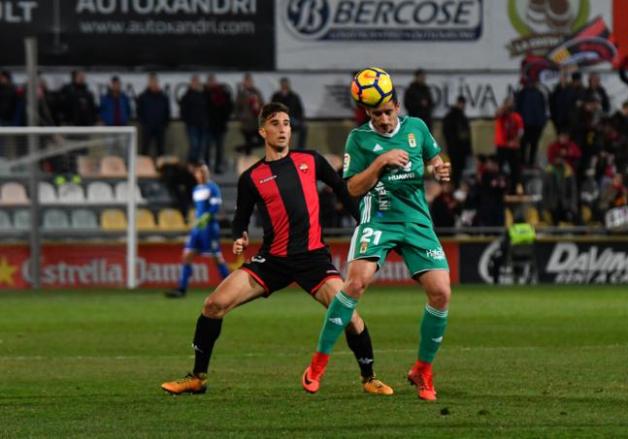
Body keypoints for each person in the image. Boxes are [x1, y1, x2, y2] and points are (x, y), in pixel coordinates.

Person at [161, 102, 393, 396]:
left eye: (286, 123)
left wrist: (364, 220)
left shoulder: (311, 160)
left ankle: (369, 377)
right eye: (275, 123)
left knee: (348, 313)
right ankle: (197, 377)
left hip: (312, 259)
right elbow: (240, 217)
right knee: (213, 305)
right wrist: (239, 236)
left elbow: (342, 189)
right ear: (262, 131)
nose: (283, 129)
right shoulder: (251, 177)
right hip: (271, 260)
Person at [300, 86, 452, 402]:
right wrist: (380, 161)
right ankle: (318, 363)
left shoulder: (417, 128)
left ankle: (422, 369)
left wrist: (440, 169)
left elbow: (436, 161)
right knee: (355, 284)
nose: (383, 120)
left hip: (415, 220)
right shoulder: (359, 139)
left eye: (388, 112)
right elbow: (352, 188)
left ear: (397, 105)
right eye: (376, 115)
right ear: (367, 114)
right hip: (378, 219)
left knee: (441, 292)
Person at [165, 162, 230, 298]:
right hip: (197, 228)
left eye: (204, 171)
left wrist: (206, 217)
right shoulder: (196, 189)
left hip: (209, 228)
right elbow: (198, 208)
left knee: (217, 258)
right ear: (195, 174)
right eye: (199, 172)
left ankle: (231, 288)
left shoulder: (213, 187)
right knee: (187, 256)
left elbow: (215, 206)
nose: (202, 174)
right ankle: (181, 289)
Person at [204, 74, 233, 174]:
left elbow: (229, 107)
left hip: (220, 125)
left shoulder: (223, 93)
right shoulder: (204, 93)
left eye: (213, 81)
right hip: (208, 125)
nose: (211, 83)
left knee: (219, 148)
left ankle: (218, 166)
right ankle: (206, 166)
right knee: (207, 148)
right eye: (210, 81)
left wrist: (225, 118)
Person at [515, 77, 547, 166]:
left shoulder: (539, 94)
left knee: (534, 144)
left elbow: (543, 108)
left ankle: (531, 162)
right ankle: (523, 162)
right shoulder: (522, 94)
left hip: (536, 124)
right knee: (523, 144)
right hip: (525, 123)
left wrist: (542, 122)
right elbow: (518, 109)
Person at [494, 97, 524, 194]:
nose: (510, 106)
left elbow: (521, 132)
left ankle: (514, 189)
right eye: (508, 104)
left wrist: (515, 141)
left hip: (513, 147)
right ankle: (498, 189)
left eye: (511, 104)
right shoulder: (501, 115)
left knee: (515, 170)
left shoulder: (517, 117)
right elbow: (496, 114)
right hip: (501, 145)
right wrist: (504, 108)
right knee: (499, 168)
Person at [137, 73, 170, 158]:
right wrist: (144, 123)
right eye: (151, 82)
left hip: (160, 127)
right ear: (148, 83)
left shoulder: (163, 97)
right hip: (147, 127)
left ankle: (161, 169)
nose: (153, 84)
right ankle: (143, 168)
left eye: (155, 82)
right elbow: (139, 111)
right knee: (144, 149)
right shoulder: (143, 97)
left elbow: (167, 111)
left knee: (161, 149)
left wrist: (165, 123)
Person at [442, 96, 472, 183]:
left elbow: (467, 135)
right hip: (455, 149)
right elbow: (448, 133)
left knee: (459, 170)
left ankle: (456, 186)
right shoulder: (452, 117)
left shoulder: (462, 117)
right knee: (455, 170)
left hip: (461, 149)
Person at [179, 75, 209, 164]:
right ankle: (190, 163)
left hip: (202, 124)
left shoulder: (204, 94)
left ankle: (196, 164)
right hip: (192, 125)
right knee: (194, 145)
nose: (195, 84)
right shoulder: (187, 95)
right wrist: (187, 120)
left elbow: (209, 108)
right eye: (194, 82)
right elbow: (183, 109)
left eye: (197, 82)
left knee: (201, 147)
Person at [271, 77, 306, 149]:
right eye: (283, 84)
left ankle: (300, 149)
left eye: (286, 84)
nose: (284, 86)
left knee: (304, 128)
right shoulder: (276, 96)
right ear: (280, 85)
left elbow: (300, 110)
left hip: (292, 119)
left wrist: (300, 120)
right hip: (280, 120)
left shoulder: (294, 96)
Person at [235, 73, 263, 155]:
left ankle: (240, 148)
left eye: (250, 81)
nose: (249, 83)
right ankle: (247, 160)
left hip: (257, 122)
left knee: (262, 141)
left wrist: (260, 107)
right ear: (244, 82)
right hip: (246, 123)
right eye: (247, 81)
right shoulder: (241, 93)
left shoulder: (257, 92)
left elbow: (262, 104)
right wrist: (241, 117)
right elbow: (236, 108)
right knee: (248, 144)